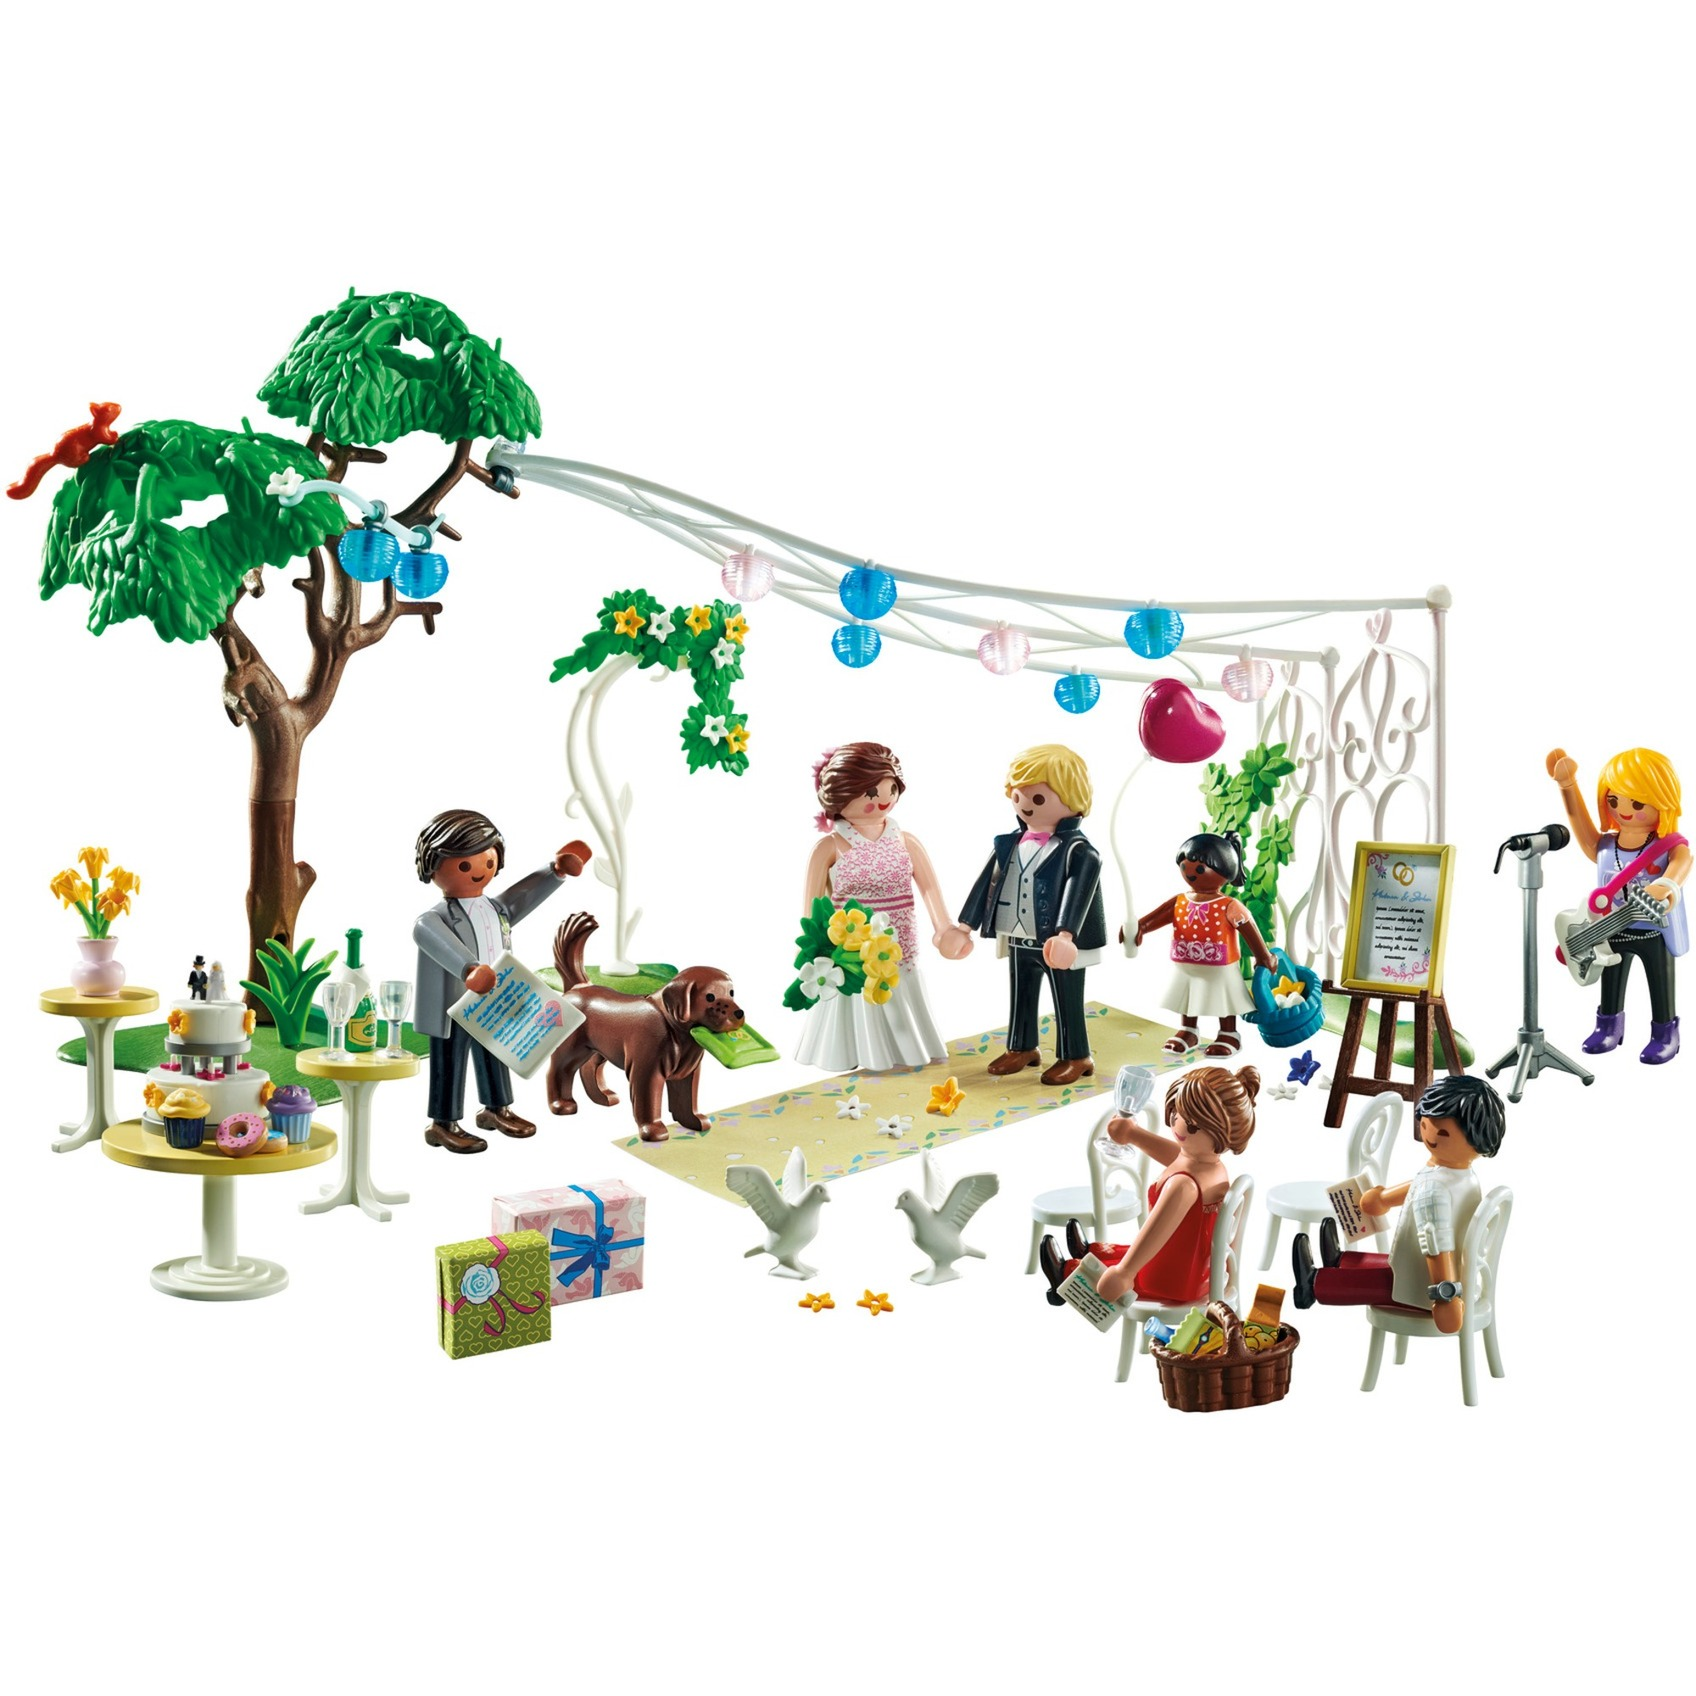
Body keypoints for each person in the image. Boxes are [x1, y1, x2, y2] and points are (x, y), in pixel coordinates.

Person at [413, 809, 589, 1154]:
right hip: (453, 1005)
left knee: (497, 1052)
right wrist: (468, 968)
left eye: (489, 861)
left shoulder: (496, 909)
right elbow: (432, 938)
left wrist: (555, 872)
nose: (479, 871)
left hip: (495, 998)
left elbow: (524, 895)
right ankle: (443, 1123)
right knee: (449, 1063)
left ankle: (497, 1108)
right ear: (433, 866)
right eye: (465, 864)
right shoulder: (433, 918)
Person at [796, 743, 974, 1071]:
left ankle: (904, 1049)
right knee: (856, 995)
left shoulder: (905, 841)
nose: (883, 799)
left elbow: (930, 888)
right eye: (869, 792)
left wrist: (944, 929)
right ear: (840, 795)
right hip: (852, 945)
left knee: (899, 989)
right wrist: (813, 947)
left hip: (899, 939)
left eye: (891, 789)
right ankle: (852, 1051)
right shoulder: (829, 847)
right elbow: (812, 908)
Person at [1291, 1073, 1506, 1333]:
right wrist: (1383, 1199)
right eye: (1425, 1124)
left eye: (1443, 1132)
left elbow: (1436, 1244)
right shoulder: (1463, 1175)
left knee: (1385, 1282)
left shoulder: (1435, 1189)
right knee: (1395, 1264)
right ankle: (1342, 1260)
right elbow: (1421, 1185)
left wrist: (1444, 1294)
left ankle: (1315, 1284)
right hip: (1459, 1274)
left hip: (1428, 1289)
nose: (1430, 1135)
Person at [1037, 1065, 1259, 1306]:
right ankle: (1093, 1251)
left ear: (1223, 1134)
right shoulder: (1212, 1167)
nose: (1177, 1122)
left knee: (1128, 1262)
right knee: (1129, 1250)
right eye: (1176, 1111)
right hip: (1197, 1271)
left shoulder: (1183, 1186)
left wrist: (1125, 1273)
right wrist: (1133, 1134)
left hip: (1172, 1281)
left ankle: (1067, 1272)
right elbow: (1178, 1156)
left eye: (1192, 1125)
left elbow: (1153, 1232)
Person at [958, 745, 1106, 1087]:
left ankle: (1076, 1055)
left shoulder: (1079, 851)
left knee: (1067, 1000)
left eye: (1038, 798)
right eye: (1018, 796)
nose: (1025, 805)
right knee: (1020, 994)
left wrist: (1066, 934)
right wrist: (965, 925)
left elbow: (1077, 893)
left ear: (1073, 799)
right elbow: (986, 883)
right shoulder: (1009, 844)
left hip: (1057, 943)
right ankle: (1022, 1047)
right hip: (1018, 936)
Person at [1546, 746, 1688, 1065]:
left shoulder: (1670, 846)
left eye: (1637, 803)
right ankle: (1608, 1027)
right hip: (1611, 929)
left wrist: (1665, 885)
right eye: (1614, 800)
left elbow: (1682, 864)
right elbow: (1580, 826)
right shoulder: (1606, 846)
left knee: (1660, 984)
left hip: (1654, 931)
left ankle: (1665, 1033)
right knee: (1610, 980)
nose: (1624, 810)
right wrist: (1567, 785)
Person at [1134, 831, 1277, 1058]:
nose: (1190, 874)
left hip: (1220, 966)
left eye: (1199, 869)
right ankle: (1188, 1031)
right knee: (1187, 997)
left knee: (1225, 998)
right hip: (1186, 963)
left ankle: (1228, 1034)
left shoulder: (1229, 905)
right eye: (1184, 867)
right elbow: (1156, 917)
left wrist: (1263, 956)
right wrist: (1140, 927)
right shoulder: (1180, 901)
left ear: (1225, 870)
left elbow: (1249, 929)